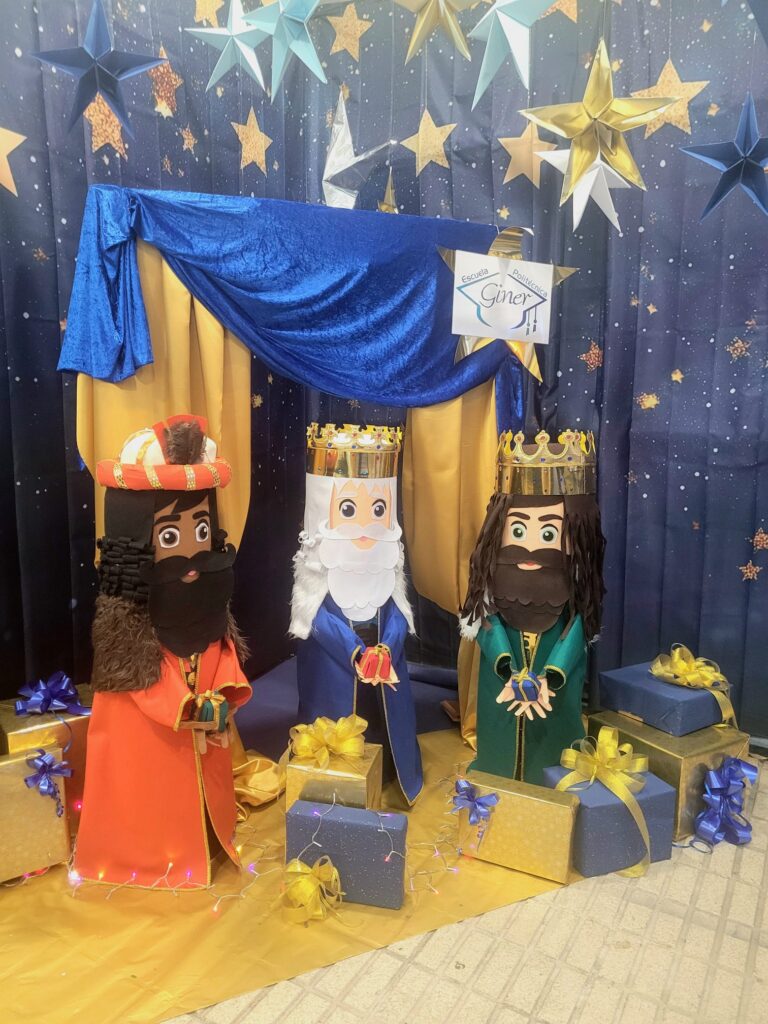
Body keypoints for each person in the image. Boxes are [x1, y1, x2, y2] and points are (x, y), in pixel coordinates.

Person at [74, 415, 252, 888]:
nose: (191, 555)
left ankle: (210, 835)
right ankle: (152, 856)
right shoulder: (125, 624)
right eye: (170, 537)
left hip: (203, 734)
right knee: (149, 799)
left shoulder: (207, 607)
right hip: (148, 748)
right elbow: (139, 681)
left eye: (201, 531)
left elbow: (222, 652)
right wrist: (187, 705)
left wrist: (222, 694)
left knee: (205, 791)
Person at [460, 429, 605, 785]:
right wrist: (508, 669)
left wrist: (550, 677)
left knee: (553, 753)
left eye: (549, 534)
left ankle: (550, 789)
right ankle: (496, 775)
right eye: (518, 531)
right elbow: (486, 623)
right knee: (499, 741)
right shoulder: (493, 585)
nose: (529, 548)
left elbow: (577, 632)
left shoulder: (574, 588)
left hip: (554, 695)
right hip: (501, 686)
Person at [289, 423, 423, 805]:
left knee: (382, 721)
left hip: (382, 664)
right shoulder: (319, 576)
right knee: (336, 729)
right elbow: (319, 621)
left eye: (377, 510)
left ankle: (390, 767)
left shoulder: (385, 569)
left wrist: (386, 648)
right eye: (349, 509)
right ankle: (336, 782)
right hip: (336, 669)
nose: (365, 524)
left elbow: (397, 615)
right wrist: (356, 653)